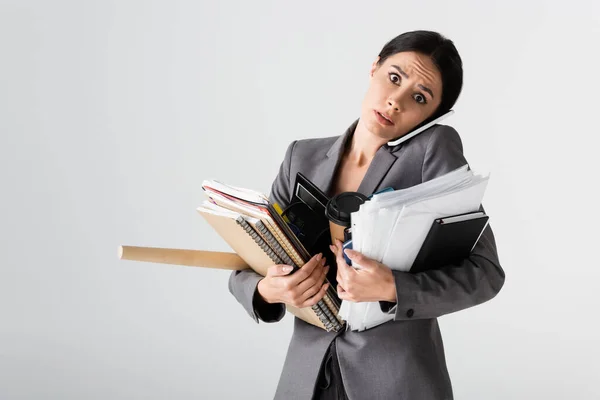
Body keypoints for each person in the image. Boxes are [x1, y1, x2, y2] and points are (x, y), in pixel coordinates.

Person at [228, 30, 506, 400]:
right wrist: (268, 289)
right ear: (374, 67)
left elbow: (485, 272)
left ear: (432, 116)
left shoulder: (430, 154)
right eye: (394, 77)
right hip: (306, 378)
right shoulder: (302, 157)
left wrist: (393, 287)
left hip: (396, 380)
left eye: (419, 98)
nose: (395, 102)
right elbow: (248, 260)